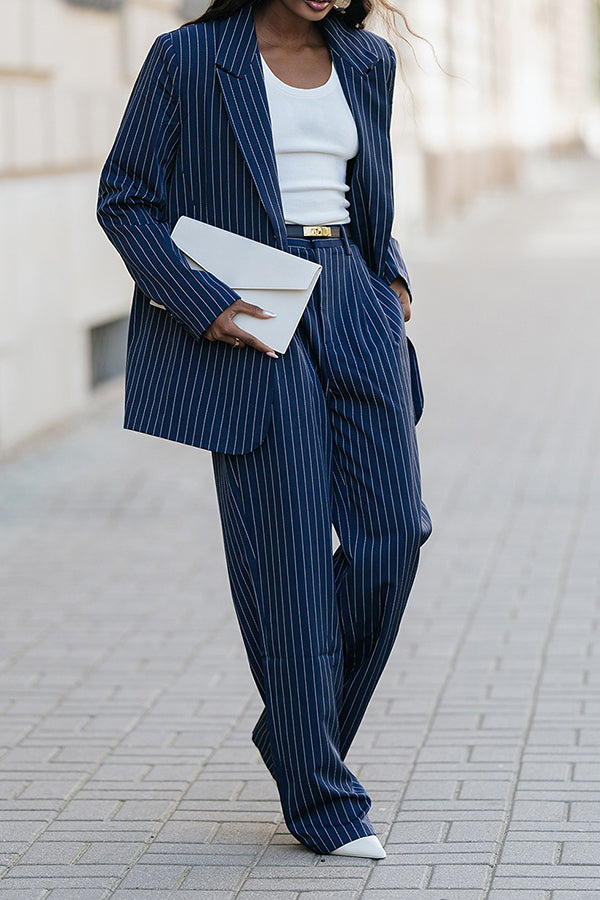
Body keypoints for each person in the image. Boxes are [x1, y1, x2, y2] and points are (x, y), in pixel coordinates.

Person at [97, 0, 432, 860]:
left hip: (352, 297)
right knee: (286, 558)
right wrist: (203, 304)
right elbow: (125, 199)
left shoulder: (365, 60)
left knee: (394, 537)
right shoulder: (189, 58)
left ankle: (294, 731)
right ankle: (320, 797)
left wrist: (387, 285)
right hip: (254, 307)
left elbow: (372, 198)